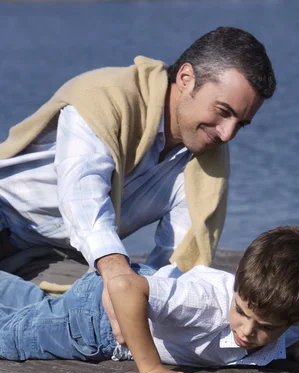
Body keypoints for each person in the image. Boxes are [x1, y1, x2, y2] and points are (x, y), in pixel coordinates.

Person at [0, 26, 276, 343]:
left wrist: (278, 340)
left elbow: (174, 270)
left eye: (239, 123)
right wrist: (117, 271)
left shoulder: (207, 160)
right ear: (186, 79)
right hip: (5, 211)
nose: (227, 134)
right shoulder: (104, 96)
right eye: (223, 112)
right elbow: (83, 198)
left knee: (94, 319)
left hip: (53, 256)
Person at [0, 225, 299, 373]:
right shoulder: (203, 301)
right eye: (242, 312)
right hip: (97, 324)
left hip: (137, 295)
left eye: (267, 328)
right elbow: (124, 287)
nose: (248, 331)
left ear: (297, 319)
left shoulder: (291, 325)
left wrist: (298, 346)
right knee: (12, 338)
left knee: (32, 306)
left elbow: (285, 332)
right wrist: (152, 369)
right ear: (237, 287)